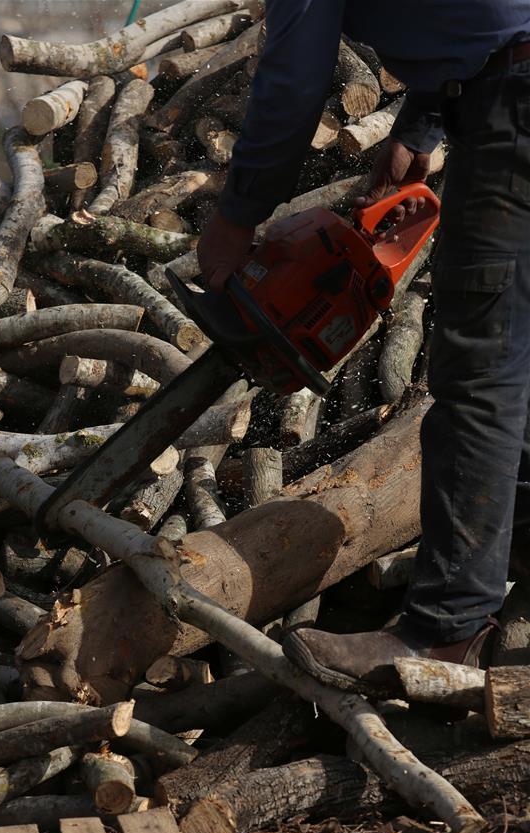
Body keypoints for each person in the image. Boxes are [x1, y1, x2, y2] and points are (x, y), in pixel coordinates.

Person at [197, 1, 530, 686]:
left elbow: (293, 79)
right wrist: (423, 124)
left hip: (515, 106)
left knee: (479, 375)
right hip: (505, 87)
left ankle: (446, 630)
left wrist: (237, 217)